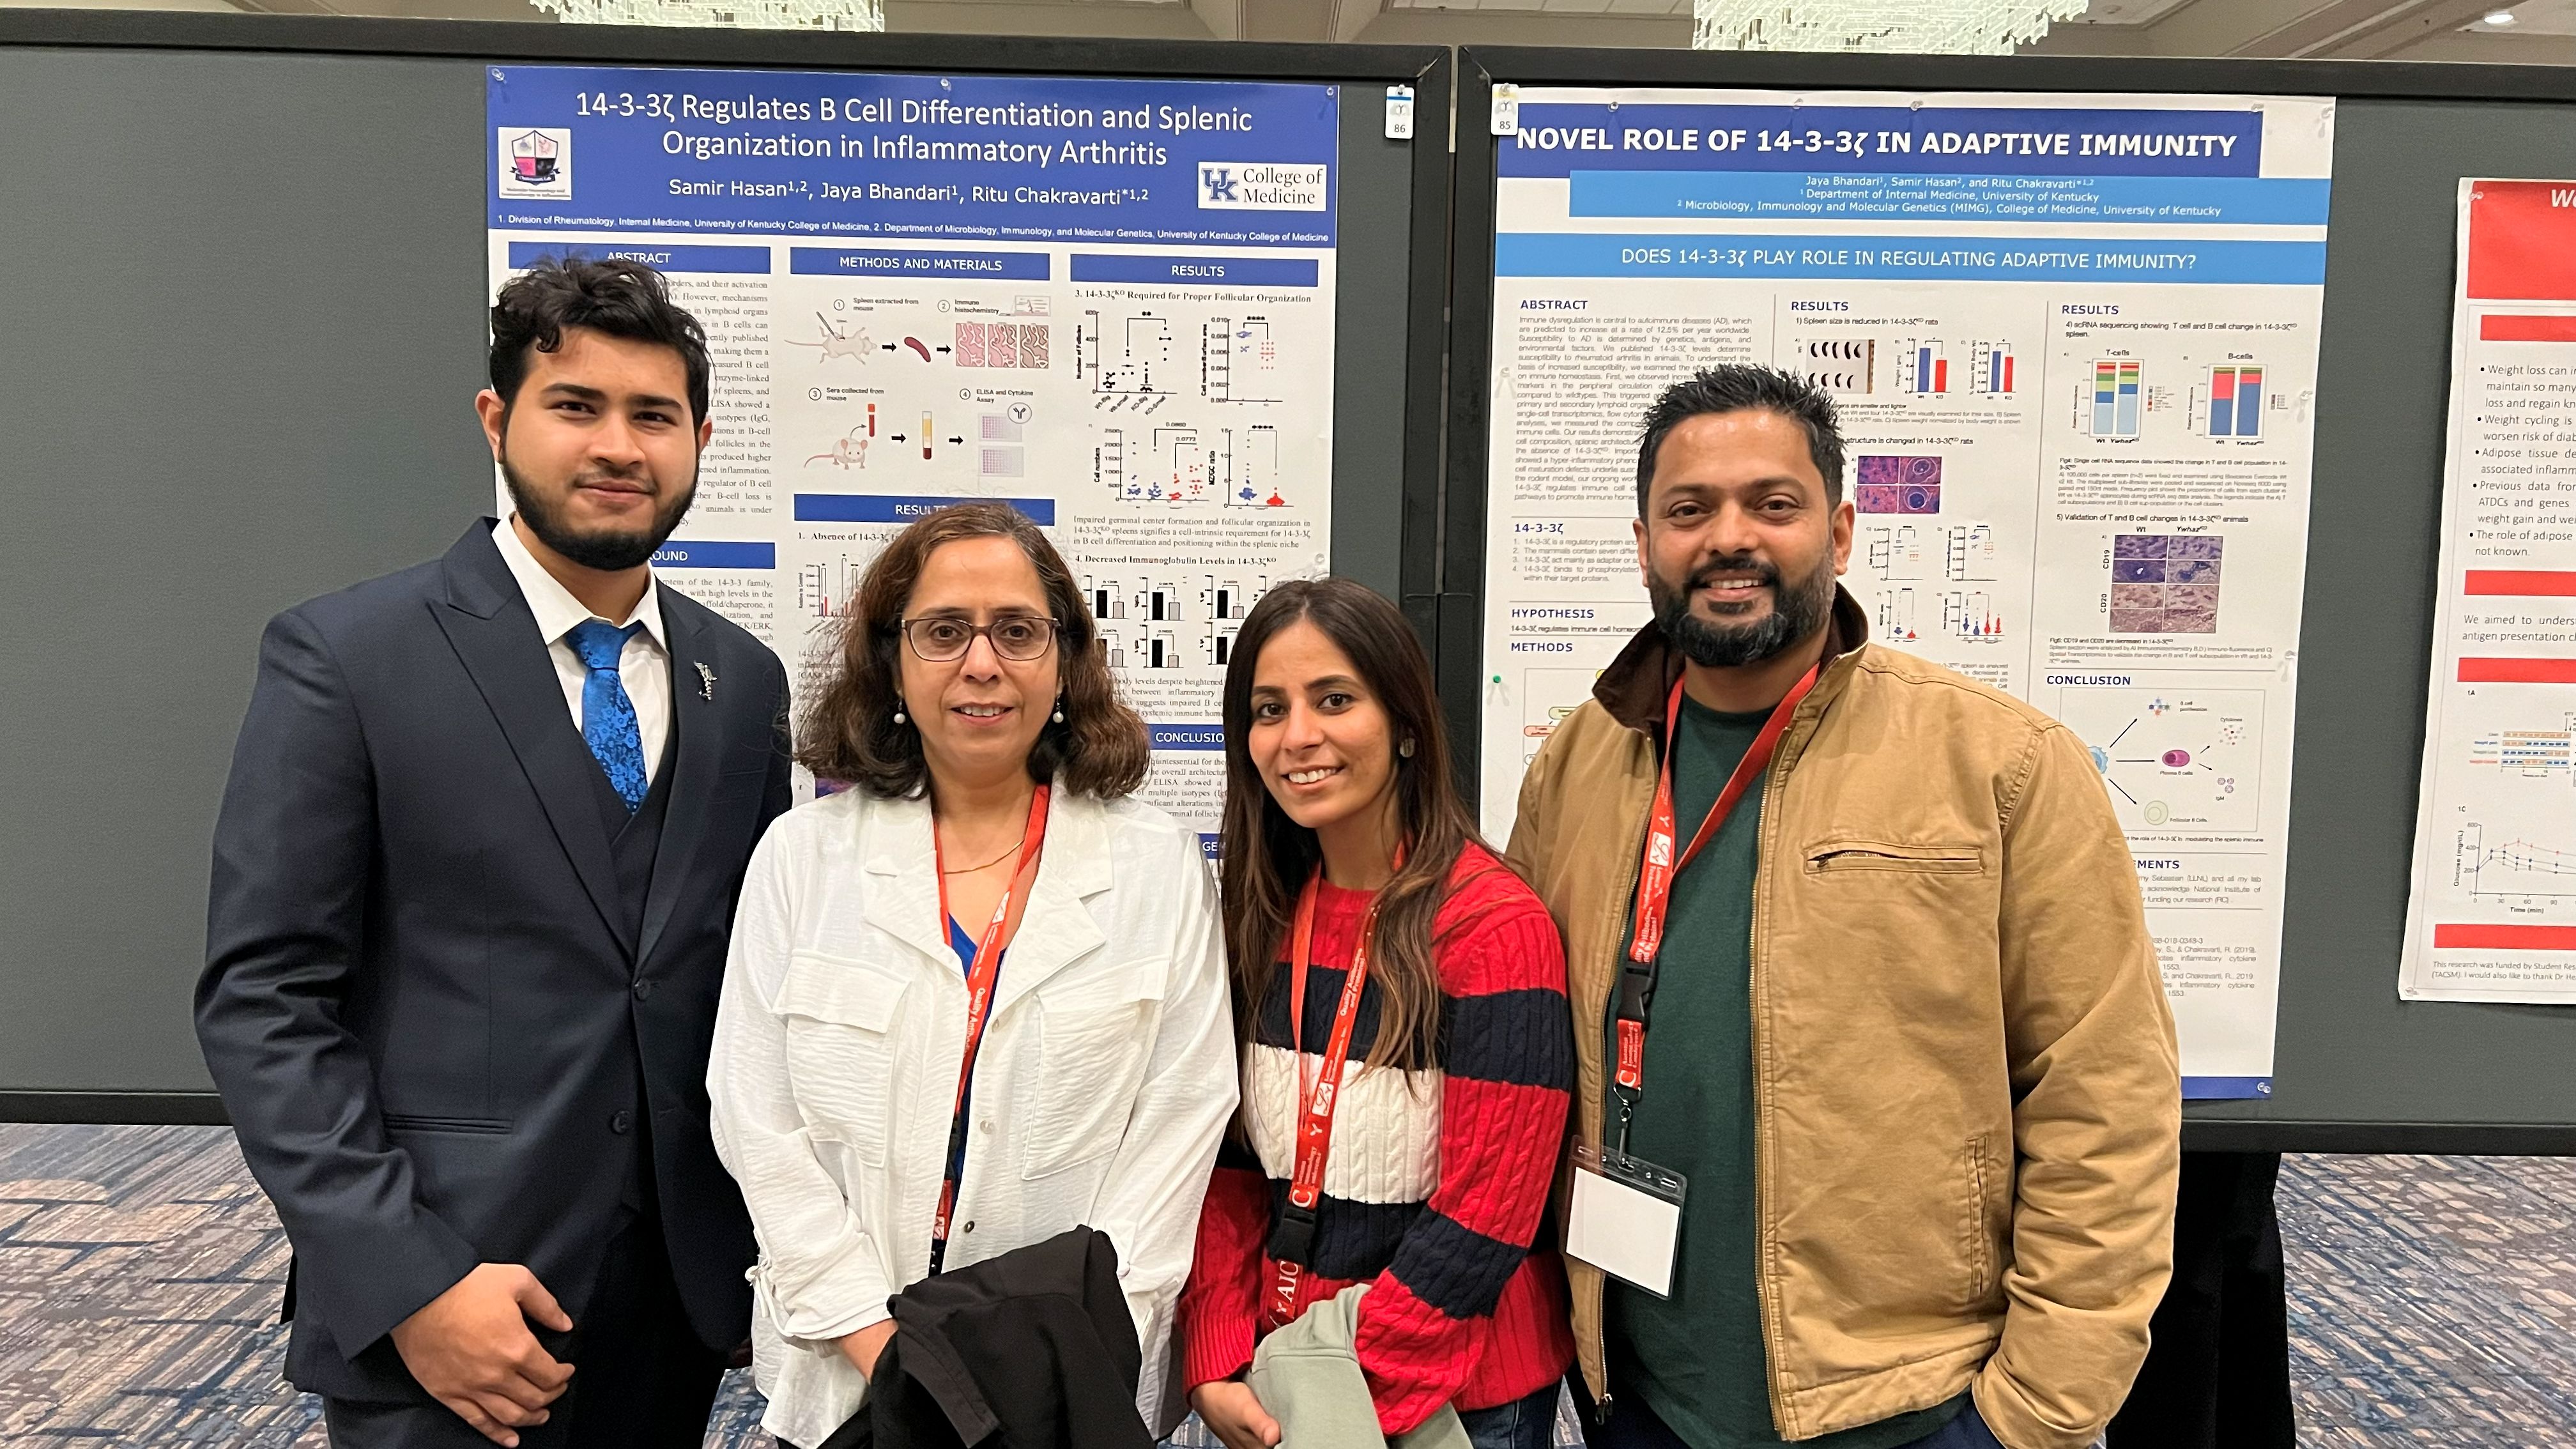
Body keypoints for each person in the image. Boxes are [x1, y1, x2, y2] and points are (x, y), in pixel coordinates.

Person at [1506, 365, 2181, 1449]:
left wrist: (2034, 1415)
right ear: (1644, 543)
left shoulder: (2001, 766)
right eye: (1691, 511)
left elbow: (2106, 1103)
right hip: (1644, 1395)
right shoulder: (1580, 763)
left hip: (1912, 1405)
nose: (1731, 538)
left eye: (1774, 505)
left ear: (1843, 530)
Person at [197, 256, 792, 1448]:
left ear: (701, 439)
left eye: (654, 416)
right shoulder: (350, 657)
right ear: (497, 419)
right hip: (452, 1305)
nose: (618, 445)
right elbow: (264, 1001)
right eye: (576, 406)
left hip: (675, 1310)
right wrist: (410, 1280)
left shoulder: (743, 682)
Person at [708, 502, 1237, 1449]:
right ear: (892, 662)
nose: (982, 664)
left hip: (1062, 1396)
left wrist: (1046, 1355)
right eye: (944, 631)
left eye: (1018, 631)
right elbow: (754, 1117)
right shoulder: (802, 859)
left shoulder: (1156, 870)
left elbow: (1182, 1122)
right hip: (847, 1383)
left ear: (1066, 661)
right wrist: (891, 1353)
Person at [1180, 578, 1576, 1449]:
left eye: (1334, 701)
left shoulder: (1493, 928)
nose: (1299, 738)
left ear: (1403, 724)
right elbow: (1228, 1169)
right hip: (1285, 1381)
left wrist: (1340, 1403)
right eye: (1269, 709)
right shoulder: (1264, 921)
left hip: (1453, 1403)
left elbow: (1488, 1217)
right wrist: (1215, 1354)